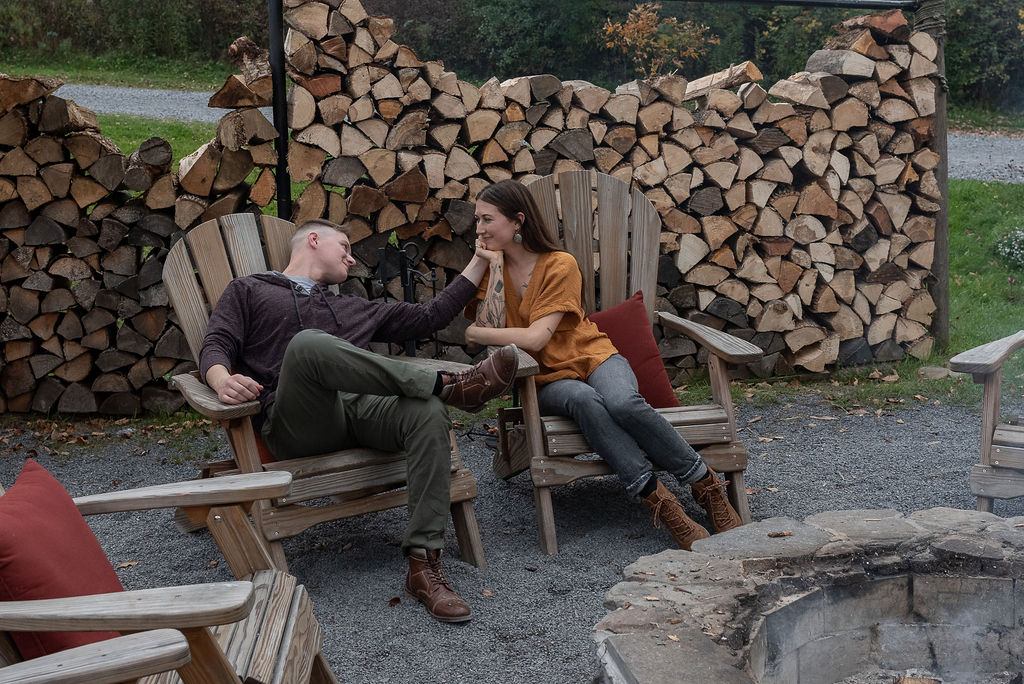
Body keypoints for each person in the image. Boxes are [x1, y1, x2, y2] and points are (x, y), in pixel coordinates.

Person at [200, 218, 518, 623]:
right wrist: (221, 378)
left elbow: (429, 316)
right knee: (308, 344)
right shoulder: (249, 289)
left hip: (363, 412)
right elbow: (216, 342)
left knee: (427, 412)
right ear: (313, 240)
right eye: (345, 247)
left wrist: (479, 260)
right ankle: (448, 385)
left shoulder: (353, 307)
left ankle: (423, 566)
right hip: (299, 420)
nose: (352, 259)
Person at [464, 179, 741, 550]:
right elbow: (496, 332)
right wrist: (492, 268)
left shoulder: (560, 265)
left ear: (517, 221)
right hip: (545, 381)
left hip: (596, 356)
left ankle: (704, 484)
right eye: (477, 221)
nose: (479, 230)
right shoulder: (488, 273)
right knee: (584, 400)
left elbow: (533, 338)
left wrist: (475, 333)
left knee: (623, 402)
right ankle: (662, 502)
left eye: (486, 220)